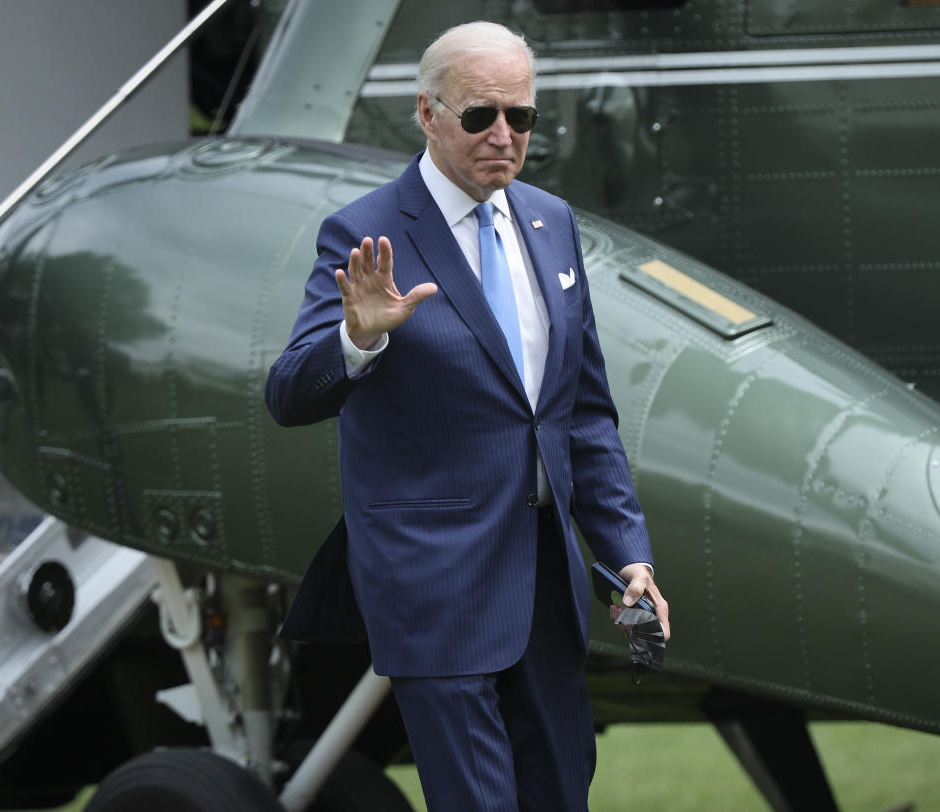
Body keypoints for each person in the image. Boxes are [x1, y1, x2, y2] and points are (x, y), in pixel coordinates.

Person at [265, 20, 670, 811]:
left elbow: (581, 414)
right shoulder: (364, 233)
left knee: (560, 793)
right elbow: (289, 394)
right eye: (481, 116)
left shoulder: (551, 223)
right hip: (433, 585)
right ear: (427, 114)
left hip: (545, 585)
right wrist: (356, 338)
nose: (504, 136)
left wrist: (629, 554)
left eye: (521, 118)